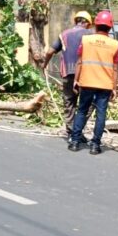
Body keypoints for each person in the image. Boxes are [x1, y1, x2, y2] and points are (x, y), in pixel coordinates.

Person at [69, 10, 118, 155]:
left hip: (87, 82)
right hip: (104, 85)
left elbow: (79, 62)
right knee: (101, 114)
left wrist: (76, 80)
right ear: (110, 27)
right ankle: (95, 145)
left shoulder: (86, 40)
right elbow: (115, 69)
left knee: (82, 111)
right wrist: (114, 87)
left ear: (96, 25)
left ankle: (74, 142)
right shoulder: (114, 44)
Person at [43, 11, 93, 140]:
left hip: (68, 74)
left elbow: (50, 51)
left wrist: (44, 65)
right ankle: (77, 129)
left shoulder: (64, 34)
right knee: (87, 103)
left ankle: (71, 130)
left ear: (76, 21)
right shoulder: (91, 35)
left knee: (69, 102)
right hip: (85, 75)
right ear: (87, 23)